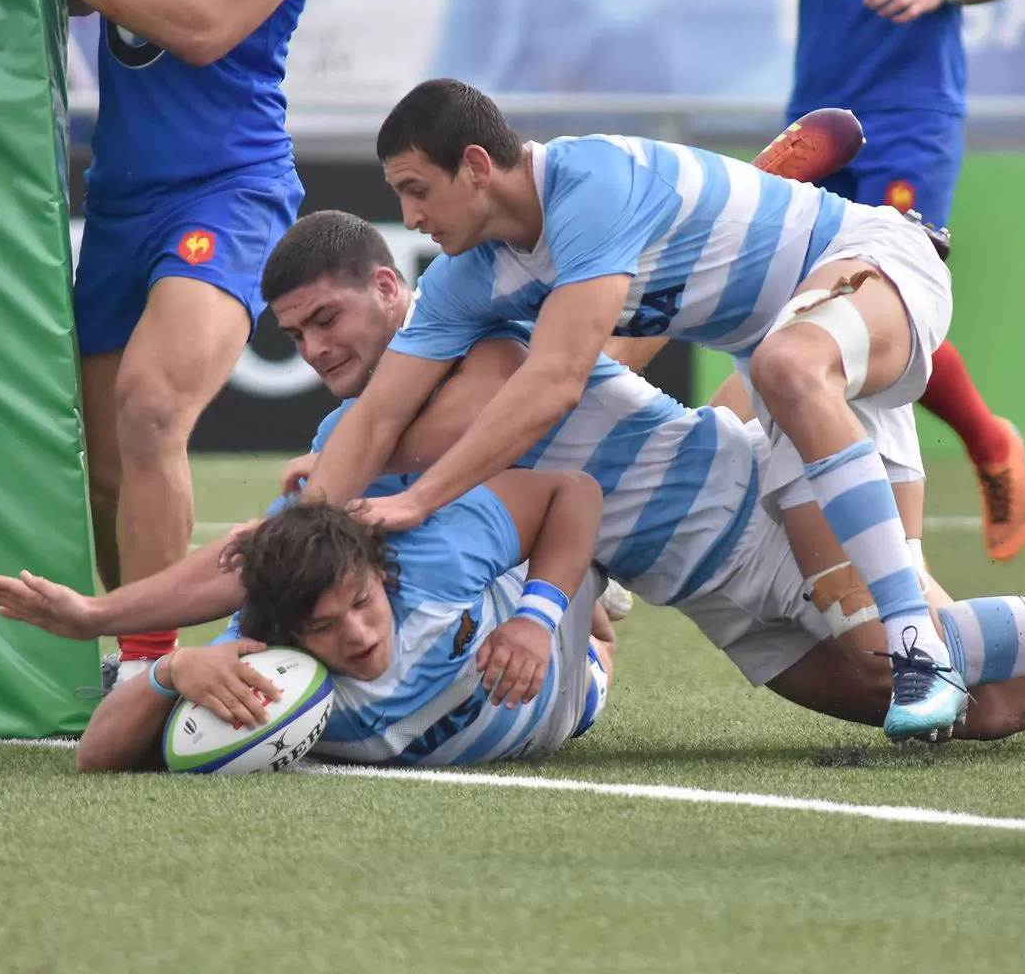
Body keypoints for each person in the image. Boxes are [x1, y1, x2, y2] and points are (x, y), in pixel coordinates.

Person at [254, 210, 1025, 741]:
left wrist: (336, 471)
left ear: (390, 286)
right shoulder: (351, 434)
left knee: (910, 658)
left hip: (761, 511)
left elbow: (505, 411)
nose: (318, 349)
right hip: (712, 599)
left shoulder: (485, 334)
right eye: (297, 338)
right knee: (983, 713)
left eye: (327, 318)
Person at [296, 80, 970, 741]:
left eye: (416, 190)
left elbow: (556, 380)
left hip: (868, 268)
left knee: (789, 367)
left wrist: (416, 501)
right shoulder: (471, 277)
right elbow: (378, 418)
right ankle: (1004, 644)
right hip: (781, 358)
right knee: (896, 665)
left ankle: (917, 643)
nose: (410, 218)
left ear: (475, 166)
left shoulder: (589, 183)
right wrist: (295, 539)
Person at [0, 469, 615, 772]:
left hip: (559, 679)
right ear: (286, 632)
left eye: (362, 603)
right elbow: (95, 757)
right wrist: (171, 671)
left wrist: (537, 617)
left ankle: (589, 606)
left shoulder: (438, 559)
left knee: (592, 630)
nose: (359, 634)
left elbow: (575, 492)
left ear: (381, 574)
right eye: (324, 627)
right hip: (537, 726)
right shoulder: (260, 663)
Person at [48, 0, 314, 684]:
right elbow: (76, 0)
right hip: (116, 202)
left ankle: (146, 673)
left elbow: (204, 27)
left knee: (153, 406)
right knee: (106, 471)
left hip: (229, 190)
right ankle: (134, 645)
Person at [724, 0, 1025, 562]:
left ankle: (982, 447)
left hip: (911, 116)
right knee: (803, 311)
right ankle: (836, 531)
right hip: (818, 114)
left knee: (879, 293)